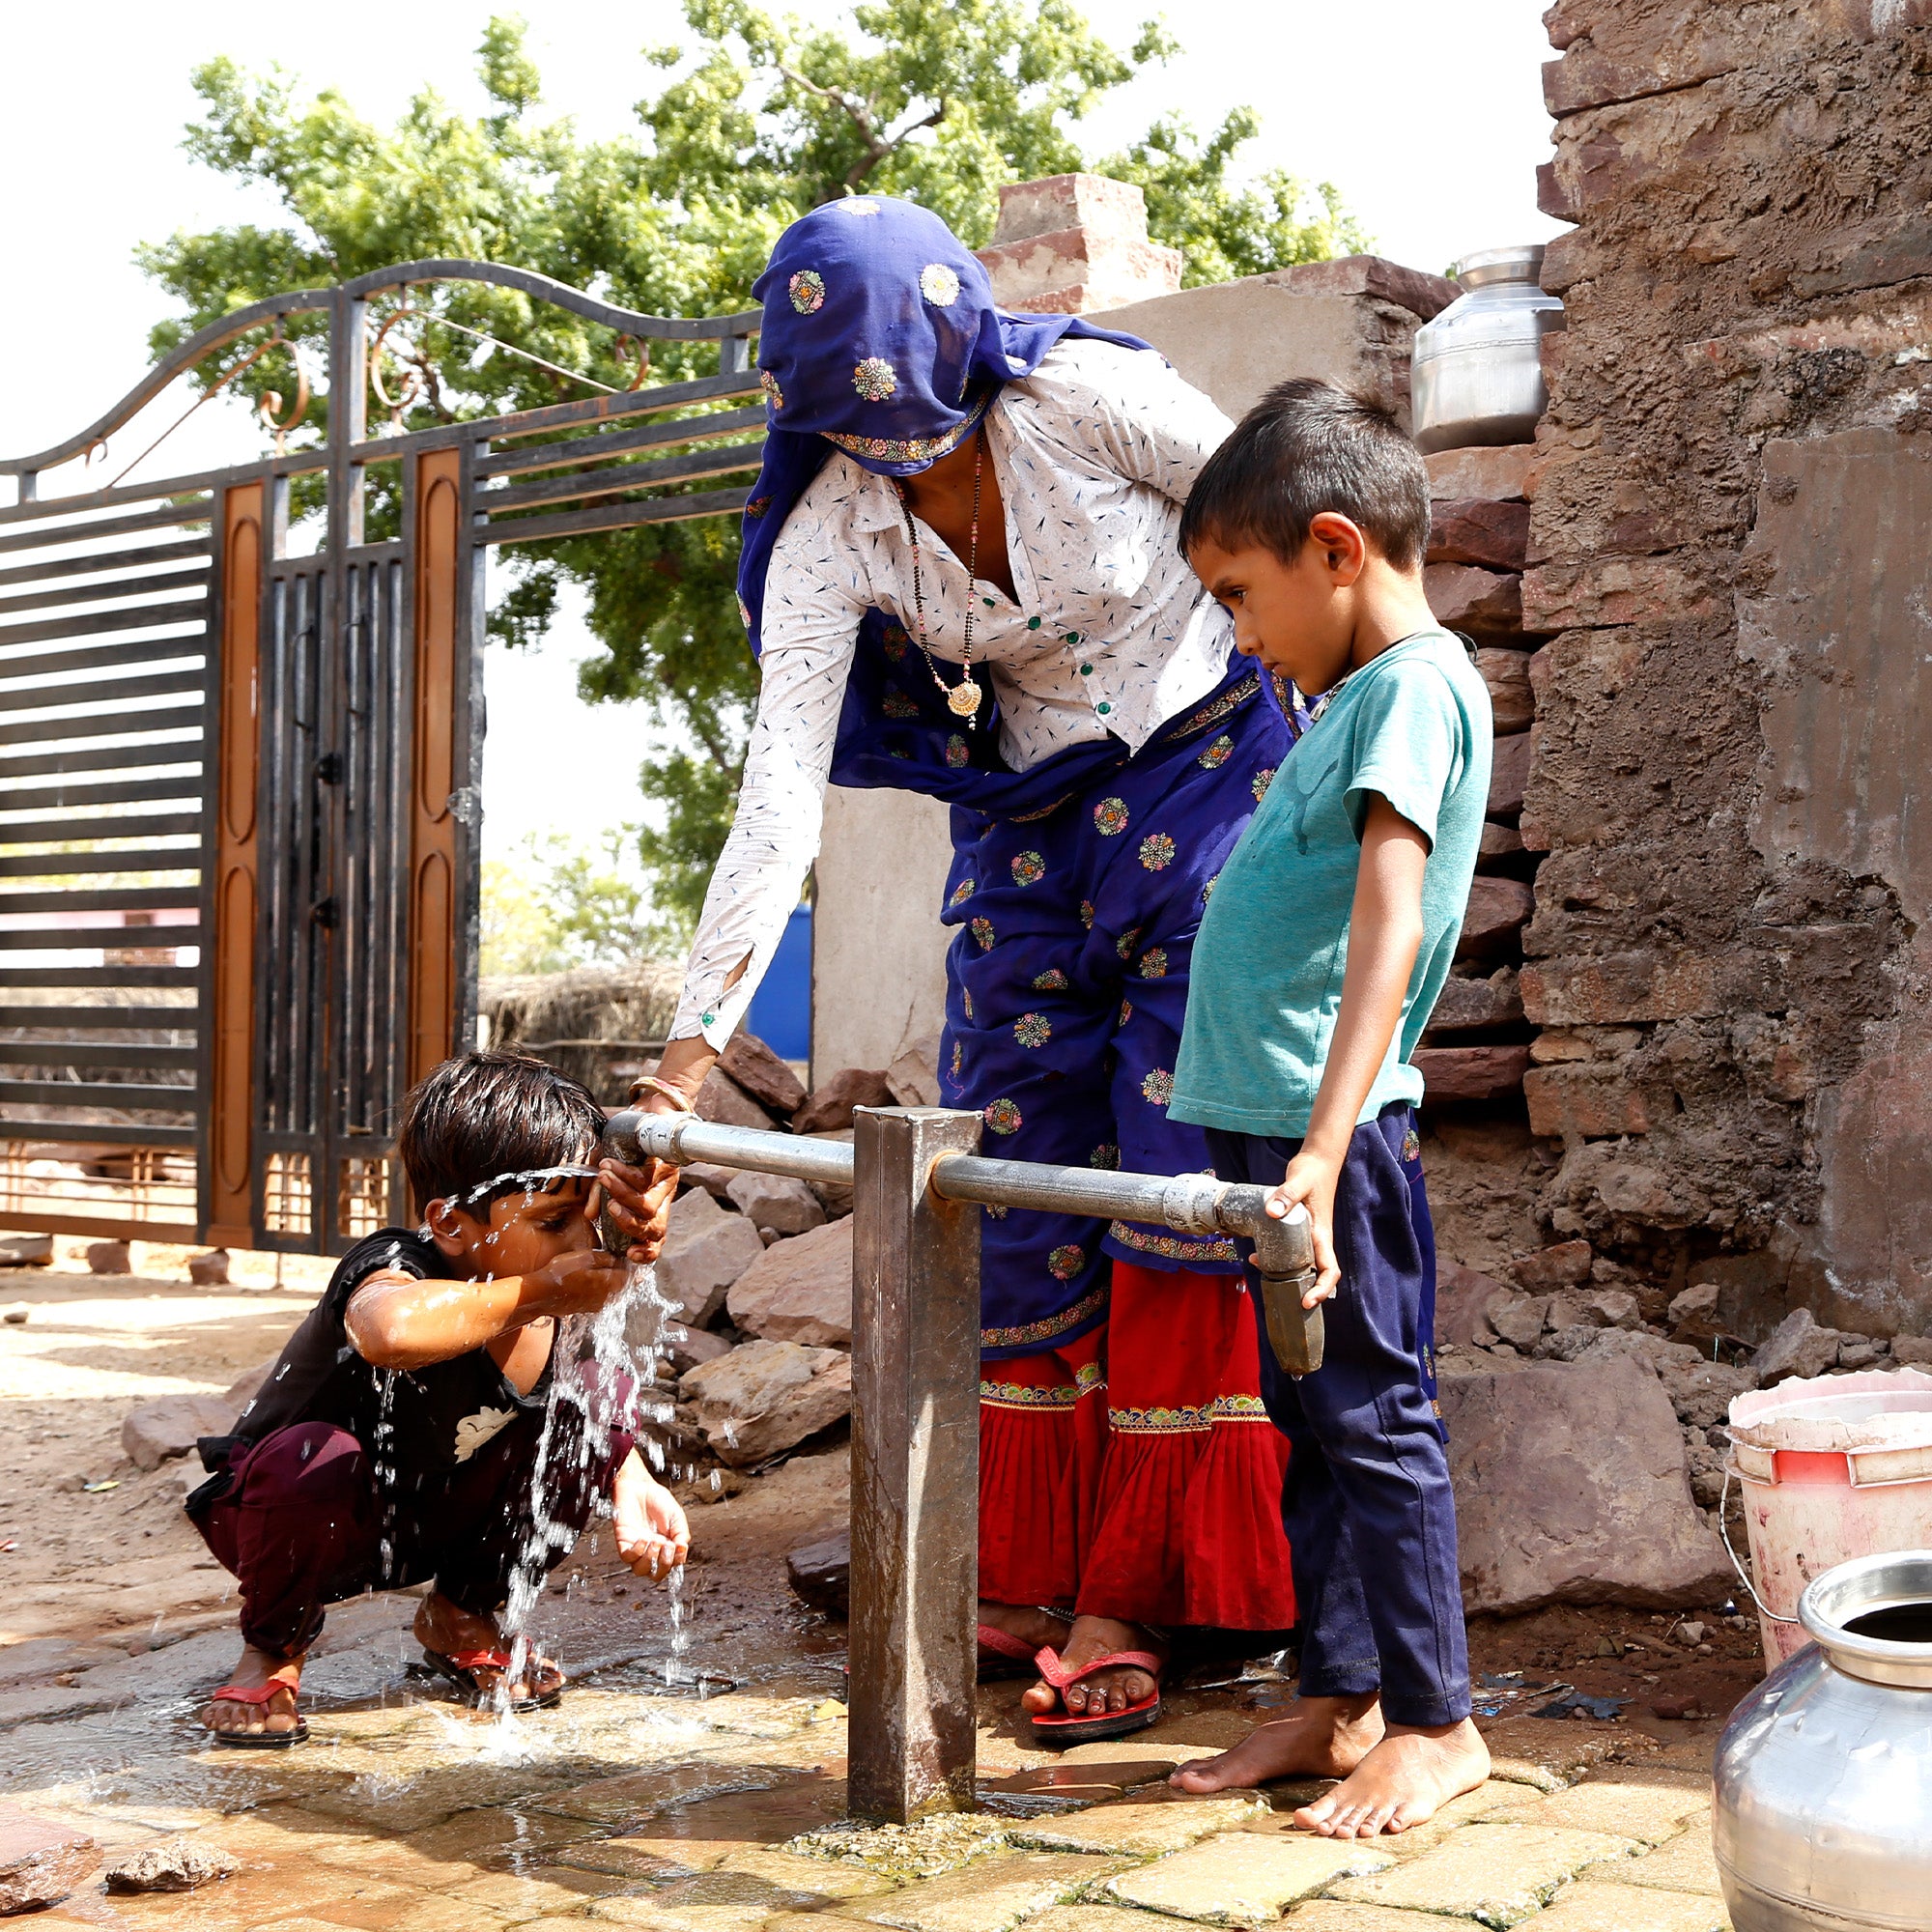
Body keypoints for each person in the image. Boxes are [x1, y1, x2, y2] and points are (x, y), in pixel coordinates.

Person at [604, 195, 1298, 1744]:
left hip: (1218, 782)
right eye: (864, 439)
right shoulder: (823, 534)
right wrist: (682, 1065)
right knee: (1011, 1171)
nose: (905, 462)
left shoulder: (1088, 404)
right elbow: (781, 799)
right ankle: (1029, 1559)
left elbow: (1285, 518)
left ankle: (1144, 1588)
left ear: (967, 345)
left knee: (1180, 1169)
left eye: (923, 424)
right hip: (1031, 817)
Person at [1162, 379, 1493, 1833]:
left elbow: (1392, 916)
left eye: (1240, 594)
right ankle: (1340, 1691)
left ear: (1339, 551)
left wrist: (1324, 1137)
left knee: (1372, 1414)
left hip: (1328, 1141)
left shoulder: (1415, 687)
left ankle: (1438, 1720)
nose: (1239, 630)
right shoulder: (1351, 695)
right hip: (1278, 1133)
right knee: (1308, 1415)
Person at [189, 1052, 690, 1747]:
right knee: (312, 1455)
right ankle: (274, 1649)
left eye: (588, 1217)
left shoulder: (553, 1288)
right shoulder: (397, 1265)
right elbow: (388, 1330)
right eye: (551, 1223)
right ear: (451, 1224)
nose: (579, 1243)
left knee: (601, 1400)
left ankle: (462, 1613)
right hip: (304, 1515)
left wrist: (628, 1476)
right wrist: (542, 1292)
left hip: (436, 1512)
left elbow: (582, 1389)